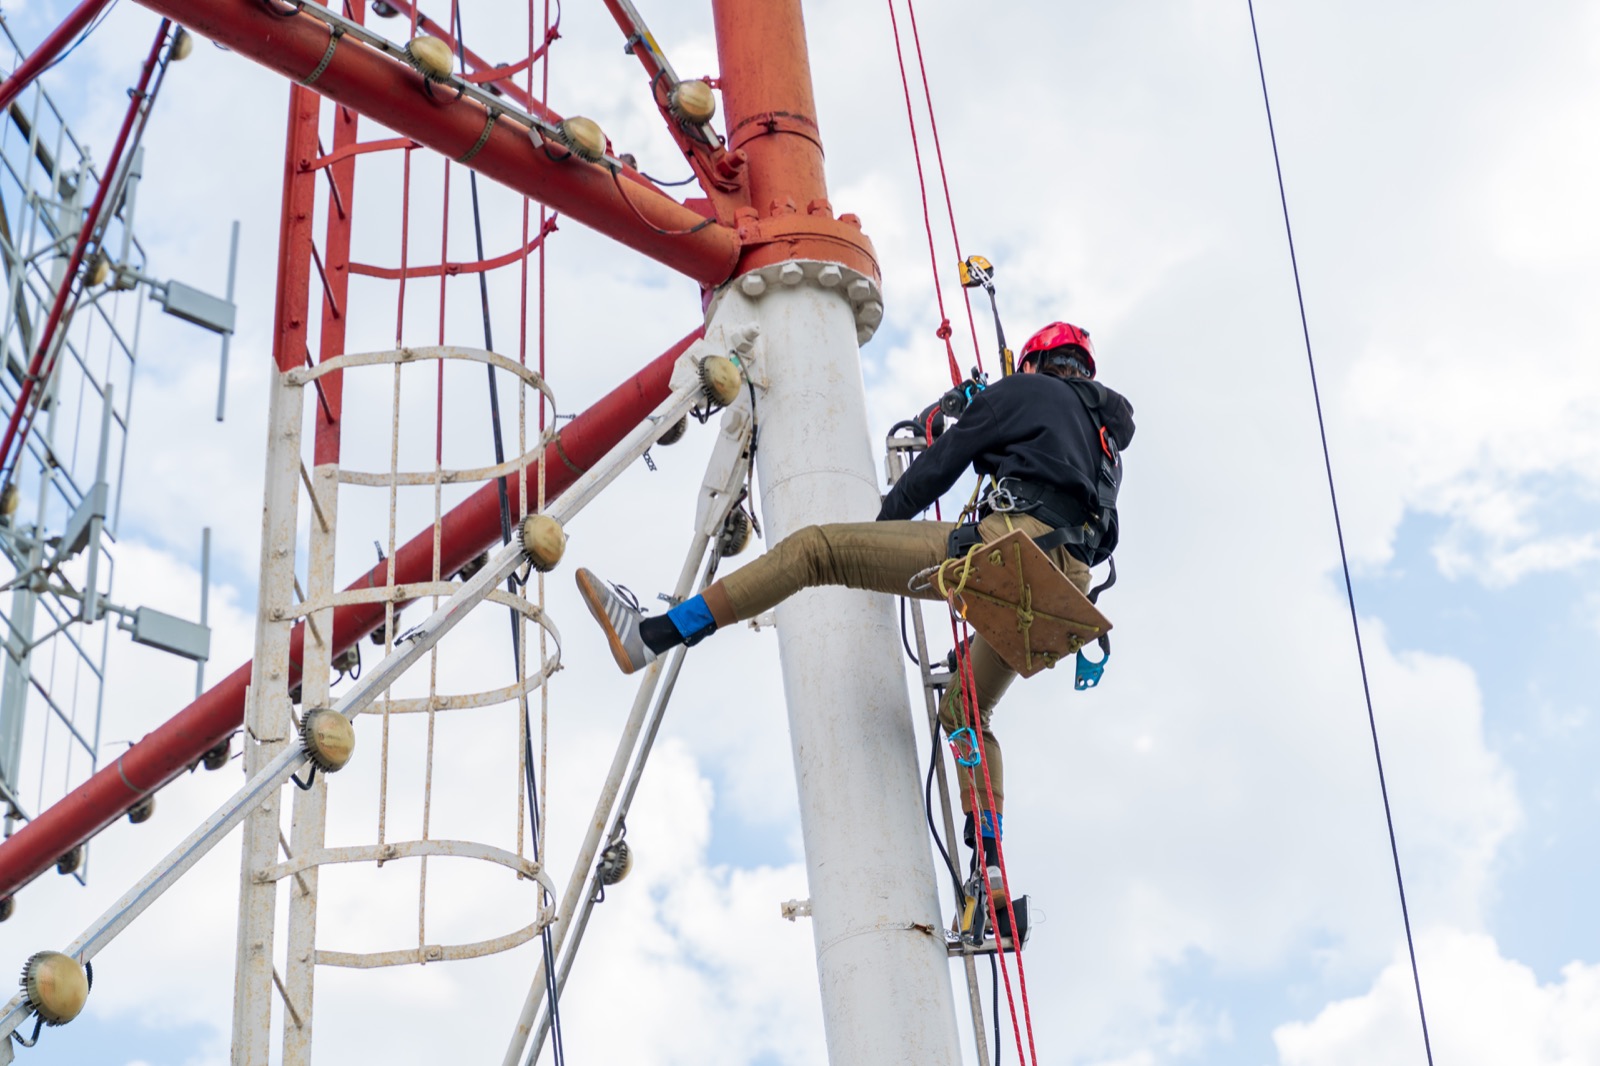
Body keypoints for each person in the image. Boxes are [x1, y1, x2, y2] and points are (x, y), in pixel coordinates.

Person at [575, 320, 1134, 915]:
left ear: (1034, 363)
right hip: (1065, 589)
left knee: (817, 551)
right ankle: (989, 869)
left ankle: (657, 634)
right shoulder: (1105, 440)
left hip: (1009, 547)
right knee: (967, 710)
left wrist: (878, 534)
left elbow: (939, 464)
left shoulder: (1023, 392)